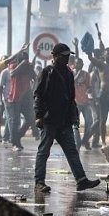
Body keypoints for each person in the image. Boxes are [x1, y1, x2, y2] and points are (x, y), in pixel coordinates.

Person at [33, 43, 100, 193]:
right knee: (44, 151)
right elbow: (38, 95)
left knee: (71, 151)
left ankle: (81, 180)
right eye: (64, 56)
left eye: (68, 56)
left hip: (64, 121)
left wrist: (74, 116)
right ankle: (39, 182)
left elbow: (71, 98)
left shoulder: (69, 74)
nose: (66, 58)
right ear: (55, 56)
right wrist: (38, 115)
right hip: (49, 120)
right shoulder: (47, 72)